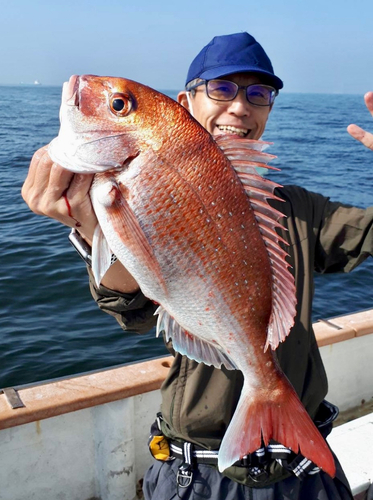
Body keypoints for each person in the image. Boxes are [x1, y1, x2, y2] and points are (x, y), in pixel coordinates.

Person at [22, 32, 373, 499]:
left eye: (258, 93)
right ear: (185, 102)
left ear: (269, 107)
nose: (240, 107)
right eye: (222, 89)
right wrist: (91, 231)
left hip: (304, 470)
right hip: (196, 476)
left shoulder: (295, 208)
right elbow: (137, 311)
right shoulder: (126, 182)